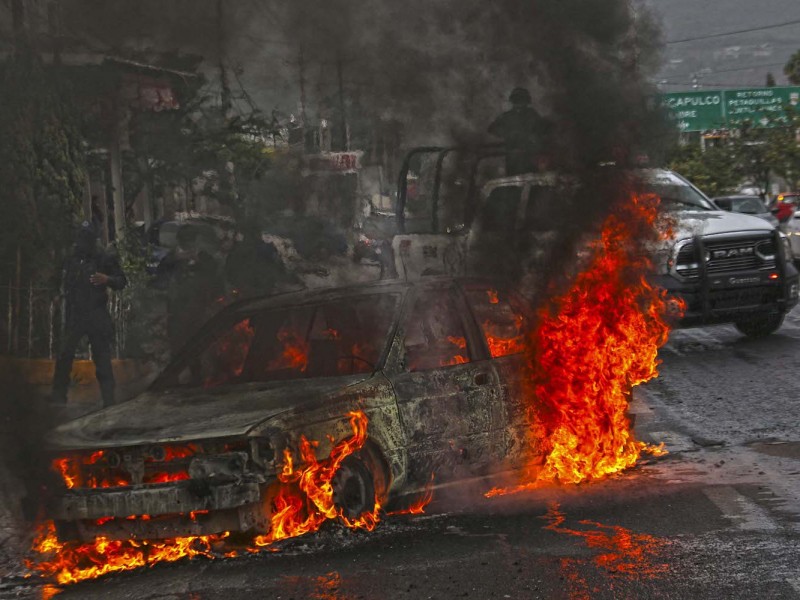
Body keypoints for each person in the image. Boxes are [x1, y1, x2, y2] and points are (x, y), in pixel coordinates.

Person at [52, 222, 127, 407]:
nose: (82, 242)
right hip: (75, 314)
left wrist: (107, 279)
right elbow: (56, 278)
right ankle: (58, 397)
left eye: (86, 238)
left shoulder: (103, 258)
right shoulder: (71, 258)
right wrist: (56, 294)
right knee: (65, 356)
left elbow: (121, 281)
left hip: (96, 313)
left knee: (102, 358)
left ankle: (109, 399)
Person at [156, 225, 224, 355]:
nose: (189, 244)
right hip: (177, 308)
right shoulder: (171, 257)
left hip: (198, 307)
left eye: (191, 240)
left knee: (198, 343)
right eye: (185, 241)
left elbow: (213, 272)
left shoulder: (204, 257)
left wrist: (198, 260)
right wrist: (176, 259)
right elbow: (160, 274)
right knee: (177, 343)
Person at [488, 87, 550, 176]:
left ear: (526, 101)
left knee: (531, 182)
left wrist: (535, 136)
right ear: (513, 101)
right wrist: (508, 134)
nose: (519, 102)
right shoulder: (507, 116)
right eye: (517, 99)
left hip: (530, 156)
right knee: (514, 182)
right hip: (513, 156)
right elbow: (492, 128)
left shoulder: (532, 114)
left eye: (522, 99)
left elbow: (543, 128)